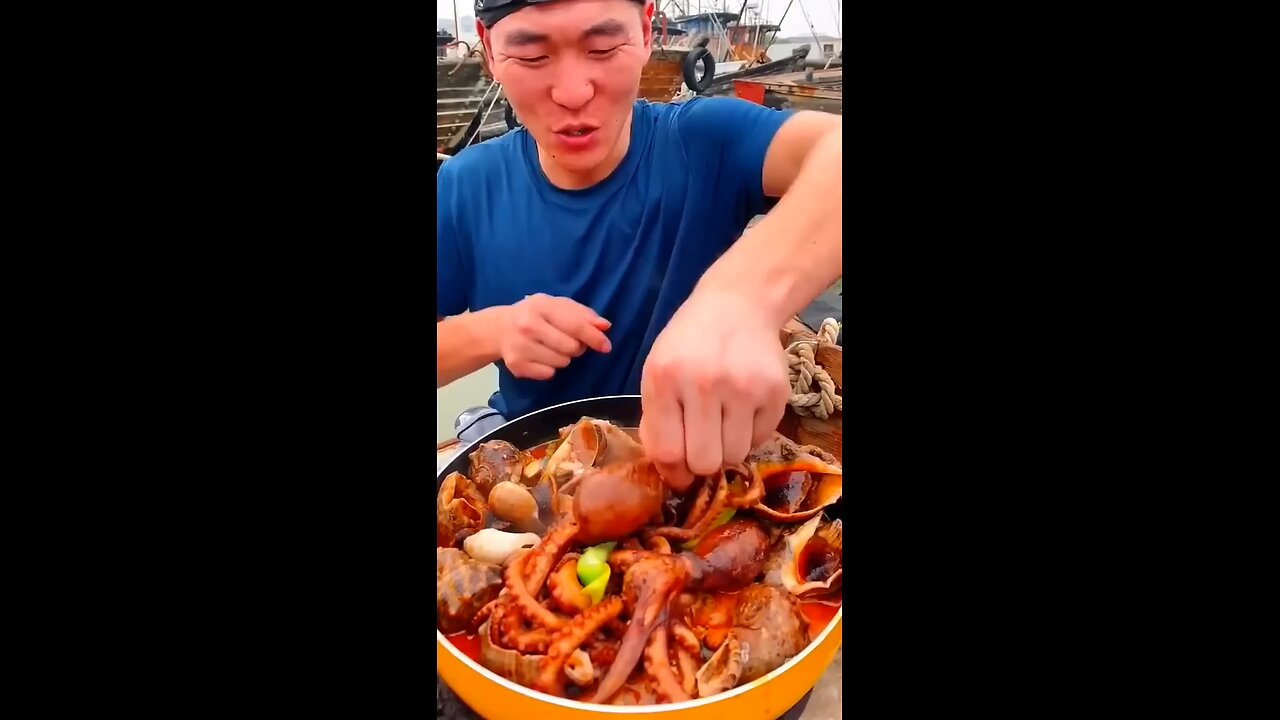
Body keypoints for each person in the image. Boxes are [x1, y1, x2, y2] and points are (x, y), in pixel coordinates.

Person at [436, 0, 841, 491]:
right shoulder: (463, 186)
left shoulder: (704, 142)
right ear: (489, 50)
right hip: (536, 472)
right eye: (532, 56)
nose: (573, 91)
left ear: (647, 30)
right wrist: (493, 330)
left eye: (604, 47)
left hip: (701, 466)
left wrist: (742, 300)